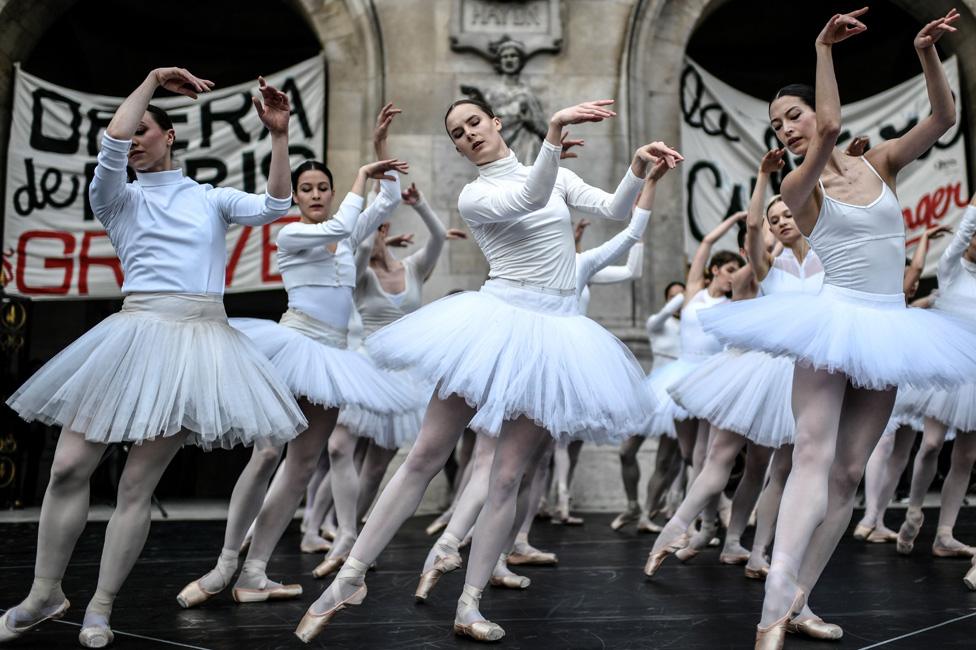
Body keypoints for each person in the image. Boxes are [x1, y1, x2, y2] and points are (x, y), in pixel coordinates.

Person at [296, 96, 680, 643]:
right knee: (425, 455)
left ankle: (470, 603)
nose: (467, 134)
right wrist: (553, 131)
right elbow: (529, 197)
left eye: (474, 122)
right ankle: (349, 578)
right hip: (493, 320)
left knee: (506, 478)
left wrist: (639, 168)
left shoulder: (557, 173)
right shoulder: (475, 194)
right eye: (456, 132)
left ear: (496, 124)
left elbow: (614, 212)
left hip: (554, 335)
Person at [0, 68, 307, 647]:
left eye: (146, 130)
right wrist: (154, 78)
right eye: (128, 134)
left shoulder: (210, 199)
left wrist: (279, 134)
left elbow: (275, 204)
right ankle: (45, 592)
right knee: (68, 467)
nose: (133, 139)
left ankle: (101, 606)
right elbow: (113, 140)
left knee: (136, 486)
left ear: (170, 137)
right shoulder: (116, 196)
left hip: (195, 344)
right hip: (134, 335)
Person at [698, 9, 976, 648]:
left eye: (789, 115)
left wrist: (925, 53)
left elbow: (943, 119)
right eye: (776, 124)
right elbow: (828, 126)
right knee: (813, 457)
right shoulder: (797, 186)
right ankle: (769, 613)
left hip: (888, 327)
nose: (787, 128)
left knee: (848, 473)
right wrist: (823, 48)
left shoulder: (878, 164)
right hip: (831, 322)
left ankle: (799, 600)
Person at [175, 105, 412, 608]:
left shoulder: (345, 234)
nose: (315, 195)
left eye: (321, 188)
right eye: (306, 189)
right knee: (265, 453)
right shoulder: (293, 232)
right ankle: (224, 562)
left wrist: (379, 149)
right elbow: (342, 221)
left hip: (331, 356)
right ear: (297, 196)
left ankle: (254, 573)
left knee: (303, 466)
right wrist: (359, 179)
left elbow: (386, 199)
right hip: (291, 345)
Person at [897, 196, 976, 558]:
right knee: (930, 444)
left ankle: (944, 533)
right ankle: (914, 510)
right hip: (945, 370)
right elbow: (960, 234)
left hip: (973, 376)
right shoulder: (951, 268)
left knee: (966, 456)